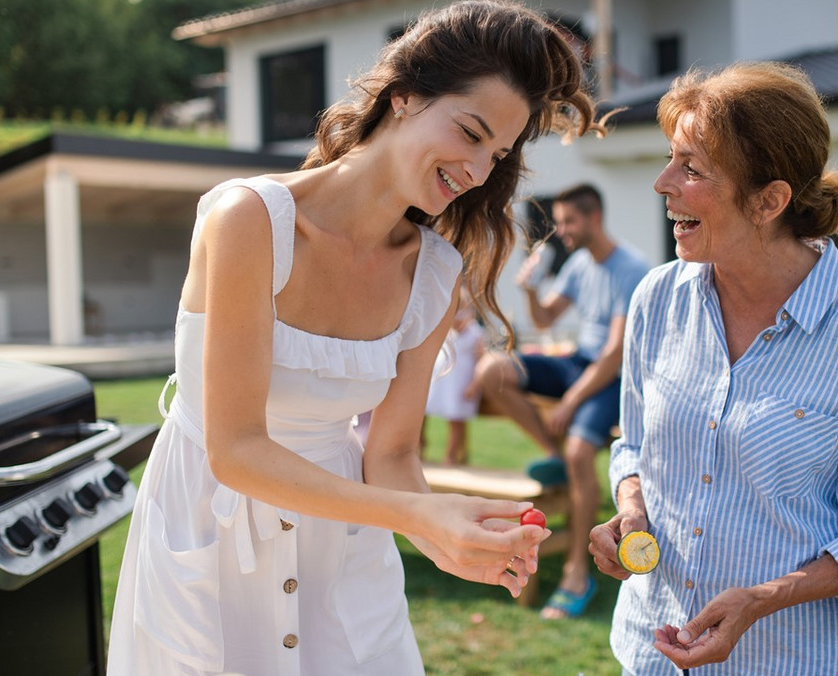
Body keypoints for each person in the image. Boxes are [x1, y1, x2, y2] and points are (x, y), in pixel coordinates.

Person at [106, 3, 603, 675]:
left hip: (342, 540)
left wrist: (450, 536)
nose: (480, 171)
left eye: (499, 154)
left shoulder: (435, 272)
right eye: (470, 132)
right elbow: (236, 451)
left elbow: (392, 453)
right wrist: (415, 517)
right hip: (210, 526)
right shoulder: (249, 220)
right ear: (405, 95)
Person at [588, 61, 838, 674]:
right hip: (650, 650)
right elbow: (633, 446)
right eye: (671, 159)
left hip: (787, 660)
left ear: (769, 200)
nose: (664, 183)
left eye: (691, 169)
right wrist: (631, 506)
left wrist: (761, 600)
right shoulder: (656, 299)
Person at [471, 183, 649, 619]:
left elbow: (614, 354)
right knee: (493, 372)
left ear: (594, 219)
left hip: (613, 376)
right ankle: (557, 459)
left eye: (569, 222)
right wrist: (530, 288)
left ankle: (577, 573)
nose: (562, 231)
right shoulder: (579, 264)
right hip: (577, 361)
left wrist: (570, 401)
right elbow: (546, 317)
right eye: (561, 221)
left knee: (580, 450)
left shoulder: (632, 267)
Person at [424, 284, 484, 465]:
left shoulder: (475, 334)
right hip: (443, 384)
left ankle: (451, 456)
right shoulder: (446, 332)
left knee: (456, 421)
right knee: (424, 415)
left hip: (461, 385)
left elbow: (481, 359)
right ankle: (420, 448)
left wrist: (475, 384)